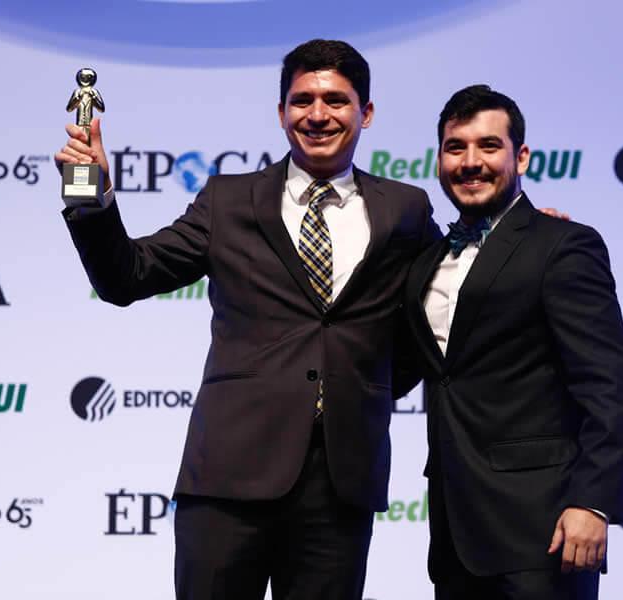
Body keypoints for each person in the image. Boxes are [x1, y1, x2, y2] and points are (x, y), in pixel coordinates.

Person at [55, 39, 441, 599]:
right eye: (302, 100)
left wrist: (369, 383)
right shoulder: (228, 201)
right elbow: (126, 277)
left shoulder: (405, 209)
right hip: (227, 476)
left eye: (335, 100)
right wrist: (89, 193)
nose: (317, 115)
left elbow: (445, 303)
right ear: (281, 112)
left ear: (367, 113)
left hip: (341, 483)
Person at [401, 85, 623, 599]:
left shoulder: (563, 245)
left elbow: (608, 384)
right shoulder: (425, 263)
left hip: (545, 528)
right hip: (455, 533)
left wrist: (593, 503)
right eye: (455, 147)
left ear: (521, 157)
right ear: (439, 159)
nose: (470, 162)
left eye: (489, 146)